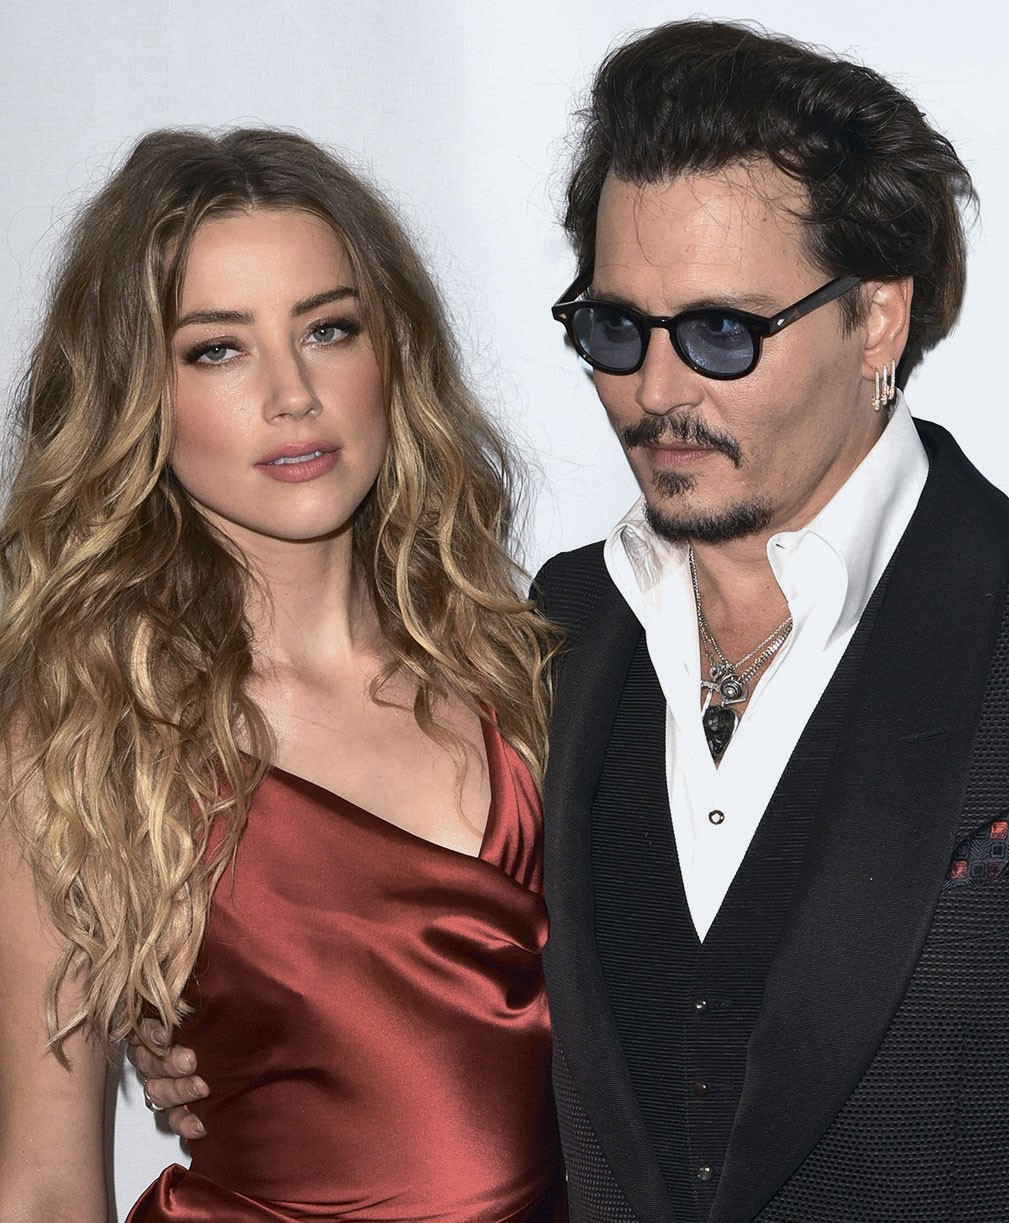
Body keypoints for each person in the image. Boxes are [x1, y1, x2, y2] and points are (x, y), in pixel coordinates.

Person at [139, 20, 1008, 1222]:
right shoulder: (545, 636)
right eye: (614, 328)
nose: (654, 391)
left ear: (876, 319)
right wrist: (235, 1017)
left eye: (721, 331)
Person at [0, 128, 565, 1223]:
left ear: (392, 353)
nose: (292, 393)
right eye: (218, 349)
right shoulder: (81, 744)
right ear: (136, 395)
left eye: (328, 329)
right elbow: (44, 1184)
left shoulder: (526, 671)